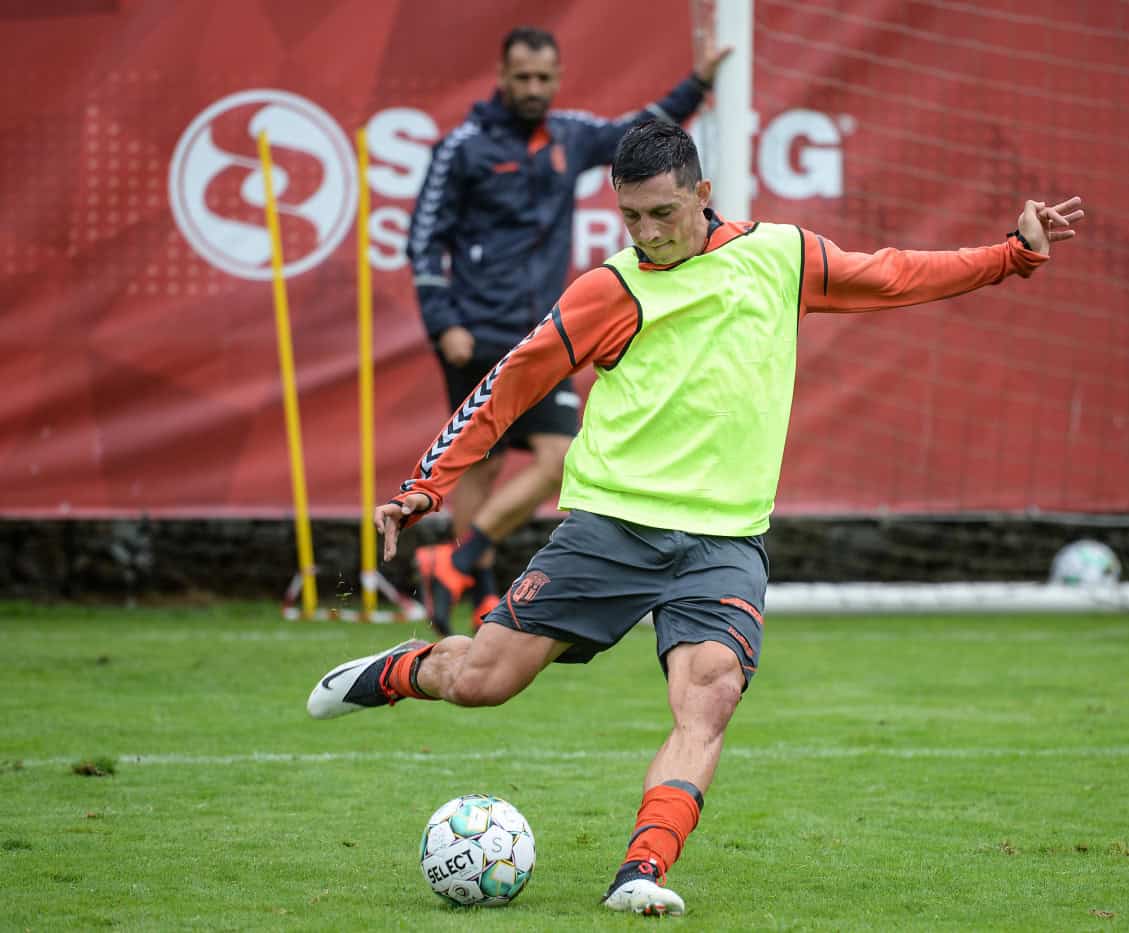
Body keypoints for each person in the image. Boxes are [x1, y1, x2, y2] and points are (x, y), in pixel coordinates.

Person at [310, 121, 1085, 915]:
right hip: (610, 527)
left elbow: (891, 275)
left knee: (708, 694)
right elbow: (509, 383)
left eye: (664, 214)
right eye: (632, 217)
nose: (648, 234)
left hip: (724, 541)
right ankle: (400, 670)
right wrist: (424, 487)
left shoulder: (783, 257)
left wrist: (1009, 254)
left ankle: (641, 870)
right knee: (482, 682)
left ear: (703, 194)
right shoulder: (608, 289)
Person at [405, 25, 730, 637]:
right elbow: (422, 243)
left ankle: (456, 558)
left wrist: (701, 81)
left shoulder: (570, 135)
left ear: (556, 79)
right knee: (481, 462)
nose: (534, 88)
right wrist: (443, 323)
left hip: (539, 333)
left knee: (559, 459)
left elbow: (644, 129)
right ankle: (477, 587)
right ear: (501, 76)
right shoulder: (462, 147)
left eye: (544, 78)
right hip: (472, 335)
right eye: (522, 77)